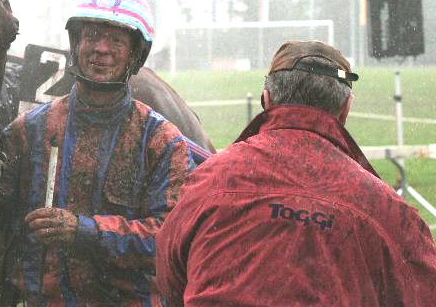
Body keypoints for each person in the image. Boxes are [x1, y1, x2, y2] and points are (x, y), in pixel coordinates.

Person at [0, 0, 194, 306]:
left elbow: (170, 240)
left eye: (116, 40)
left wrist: (83, 231)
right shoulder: (28, 131)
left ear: (135, 53)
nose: (101, 49)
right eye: (91, 36)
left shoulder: (162, 142)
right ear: (76, 45)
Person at [156, 40, 436, 306]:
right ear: (346, 109)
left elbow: (169, 277)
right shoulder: (388, 211)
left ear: (267, 99)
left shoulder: (208, 181)